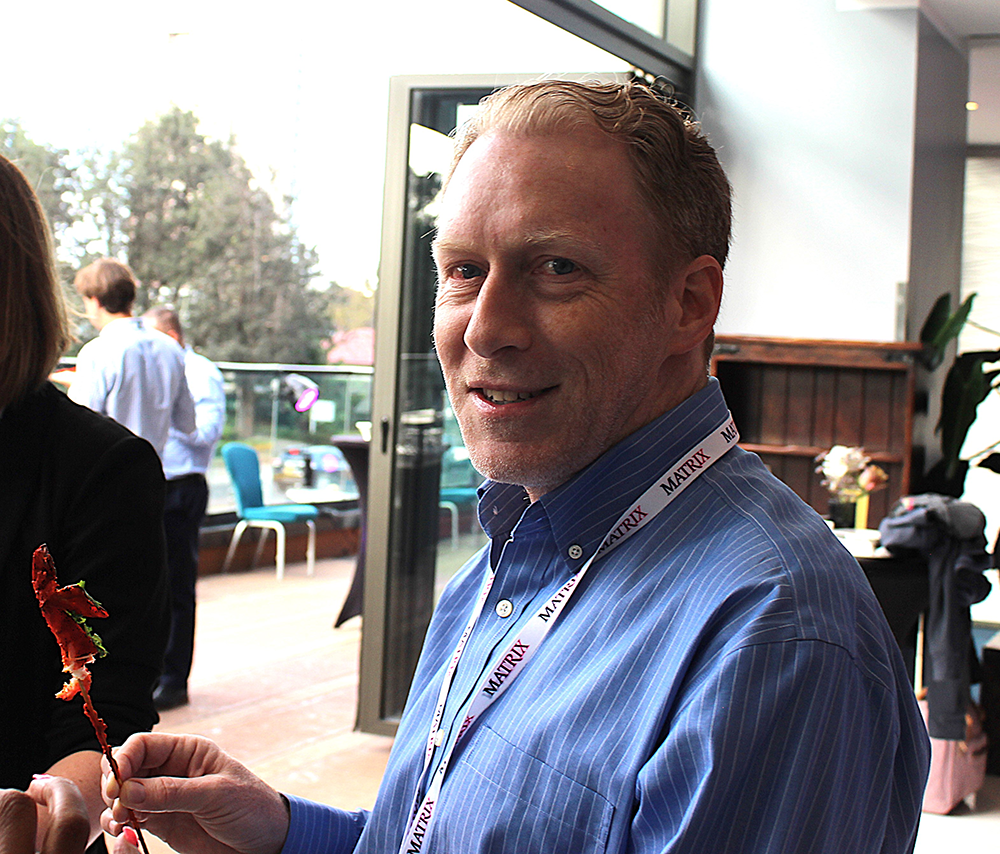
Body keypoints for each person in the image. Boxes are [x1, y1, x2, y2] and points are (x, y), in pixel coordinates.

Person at [102, 81, 930, 853]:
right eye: (464, 271)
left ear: (689, 305)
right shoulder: (509, 556)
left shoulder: (776, 639)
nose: (484, 328)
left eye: (556, 269)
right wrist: (284, 833)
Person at [0, 152, 169, 849]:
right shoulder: (165, 352)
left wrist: (41, 817)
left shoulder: (98, 465)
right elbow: (193, 424)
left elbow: (102, 715)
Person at [143, 306, 227, 711]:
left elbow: (206, 432)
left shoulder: (201, 373)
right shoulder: (158, 368)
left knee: (177, 587)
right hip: (153, 486)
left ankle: (175, 681)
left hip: (183, 488)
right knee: (149, 584)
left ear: (172, 336)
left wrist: (168, 415)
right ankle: (152, 672)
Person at [68, 258, 196, 461]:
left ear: (94, 300)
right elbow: (187, 424)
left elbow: (77, 428)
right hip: (156, 476)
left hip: (107, 475)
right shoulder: (170, 348)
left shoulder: (97, 352)